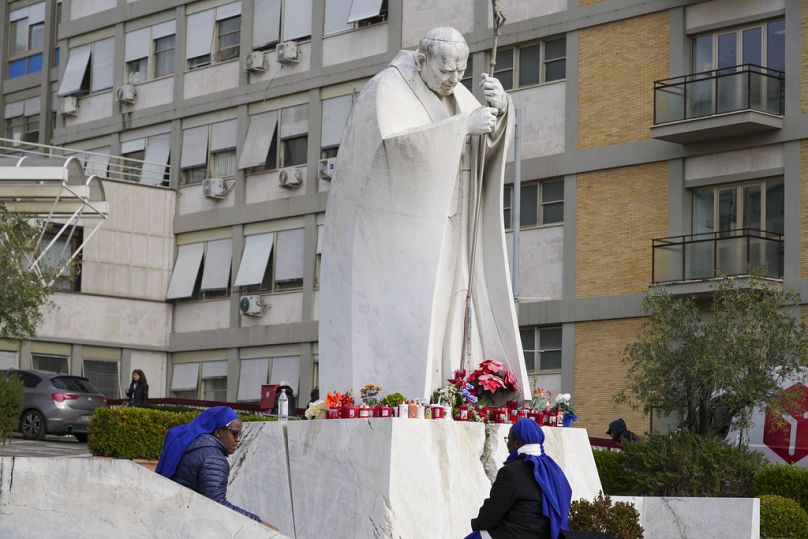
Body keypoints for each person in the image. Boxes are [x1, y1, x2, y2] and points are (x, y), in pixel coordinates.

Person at [320, 26, 530, 401]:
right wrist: (461, 127)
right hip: (405, 239)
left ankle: (452, 390)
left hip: (454, 227)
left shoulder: (459, 94)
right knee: (424, 315)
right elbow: (388, 151)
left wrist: (500, 112)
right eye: (446, 70)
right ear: (421, 61)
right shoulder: (386, 89)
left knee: (455, 311)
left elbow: (481, 151)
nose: (454, 79)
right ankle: (416, 393)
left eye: (461, 71)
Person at [155, 406, 276, 529]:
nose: (238, 439)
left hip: (168, 513)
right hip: (185, 524)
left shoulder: (187, 442)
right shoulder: (214, 459)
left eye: (240, 434)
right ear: (218, 432)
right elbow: (218, 506)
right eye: (234, 433)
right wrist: (258, 523)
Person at [466, 419, 572, 539]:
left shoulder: (510, 472)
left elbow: (493, 513)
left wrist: (476, 524)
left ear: (517, 443)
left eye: (509, 439)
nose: (507, 445)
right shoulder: (553, 469)